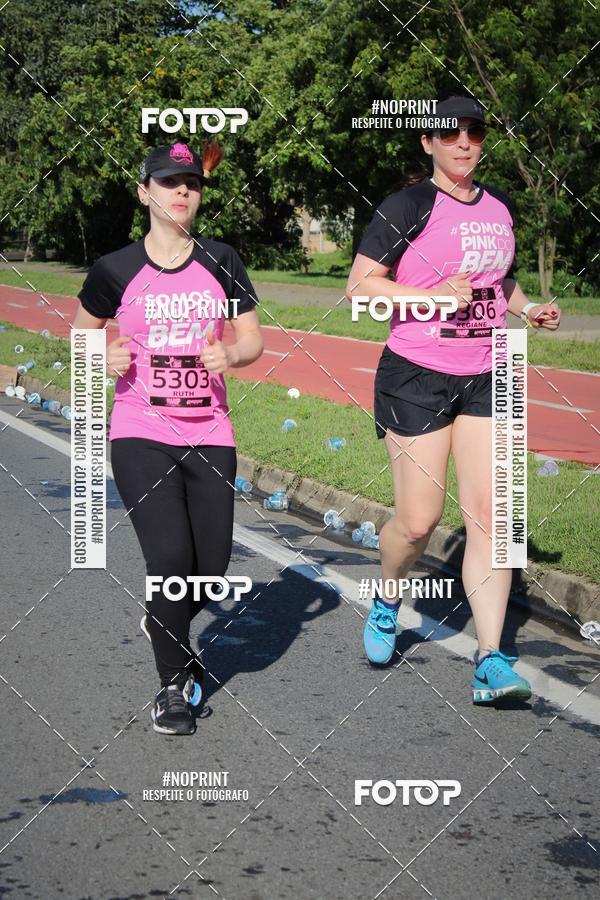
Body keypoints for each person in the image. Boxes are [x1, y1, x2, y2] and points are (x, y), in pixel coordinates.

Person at [346, 88, 561, 704]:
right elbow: (362, 290)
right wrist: (435, 296)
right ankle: (388, 596)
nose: (464, 142)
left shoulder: (500, 208)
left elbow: (499, 281)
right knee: (418, 522)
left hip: (488, 370)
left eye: (474, 132)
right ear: (429, 142)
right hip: (416, 371)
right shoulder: (406, 204)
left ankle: (491, 658)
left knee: (494, 517)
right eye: (450, 133)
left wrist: (527, 310)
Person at [73, 141, 263, 734]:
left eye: (192, 183)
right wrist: (101, 354)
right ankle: (172, 687)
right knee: (170, 558)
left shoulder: (222, 258)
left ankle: (164, 613)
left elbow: (254, 341)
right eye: (170, 182)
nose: (183, 191)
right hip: (140, 432)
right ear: (145, 192)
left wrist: (230, 352)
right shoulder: (115, 269)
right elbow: (80, 337)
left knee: (208, 570)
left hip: (210, 430)